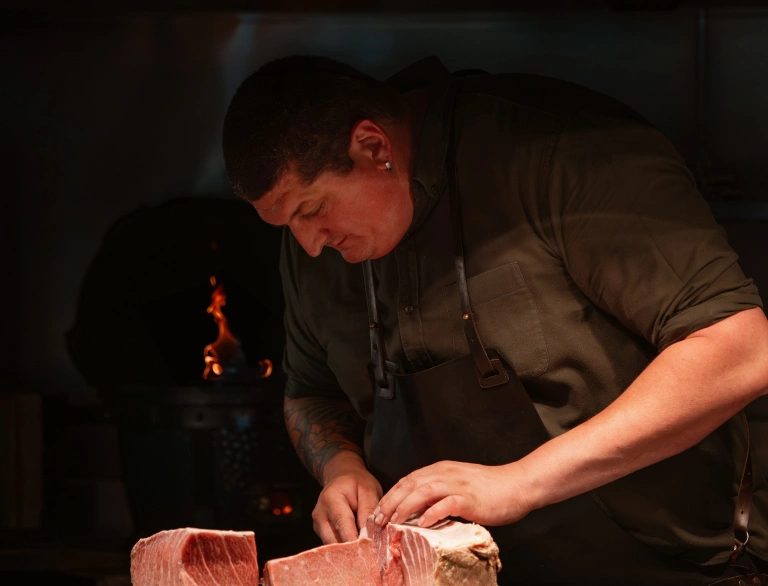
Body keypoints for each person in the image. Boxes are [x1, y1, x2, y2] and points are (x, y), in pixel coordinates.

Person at [222, 55, 768, 585]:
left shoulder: (561, 152)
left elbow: (741, 346)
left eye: (312, 210)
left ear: (373, 146)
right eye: (286, 225)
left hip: (673, 567)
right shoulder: (314, 246)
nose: (309, 246)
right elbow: (310, 391)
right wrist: (340, 467)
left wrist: (521, 482)